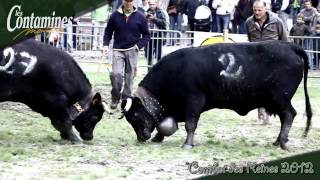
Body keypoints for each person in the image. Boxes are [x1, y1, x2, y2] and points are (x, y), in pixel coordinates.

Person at [246, 0, 289, 124]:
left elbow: (285, 40)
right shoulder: (249, 22)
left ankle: (272, 113)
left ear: (266, 9)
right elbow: (249, 41)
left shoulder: (277, 21)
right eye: (255, 10)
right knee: (258, 89)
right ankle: (262, 116)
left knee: (273, 89)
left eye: (259, 10)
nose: (257, 12)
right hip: (256, 62)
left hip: (274, 62)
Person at [102, 0, 151, 109]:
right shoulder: (114, 15)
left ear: (133, 2)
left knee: (130, 76)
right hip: (117, 49)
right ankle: (115, 97)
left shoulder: (141, 17)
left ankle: (126, 98)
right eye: (126, 1)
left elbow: (147, 35)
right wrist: (105, 45)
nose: (128, 3)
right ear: (123, 1)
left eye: (130, 1)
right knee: (116, 74)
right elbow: (108, 32)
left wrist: (138, 46)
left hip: (133, 50)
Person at [145, 0, 167, 71]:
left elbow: (164, 23)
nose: (152, 6)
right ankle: (149, 71)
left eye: (153, 4)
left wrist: (154, 19)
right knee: (148, 55)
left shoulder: (161, 12)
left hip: (158, 36)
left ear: (156, 4)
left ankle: (159, 71)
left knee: (158, 55)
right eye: (150, 4)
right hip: (149, 36)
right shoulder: (146, 12)